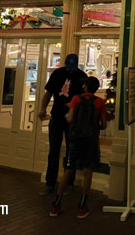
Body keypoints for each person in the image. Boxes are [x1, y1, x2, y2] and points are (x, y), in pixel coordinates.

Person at [50, 76, 107, 218]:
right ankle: (82, 206)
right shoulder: (100, 102)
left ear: (85, 87)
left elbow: (69, 119)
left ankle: (56, 204)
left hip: (75, 140)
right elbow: (104, 124)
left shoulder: (75, 99)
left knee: (68, 170)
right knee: (88, 171)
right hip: (91, 141)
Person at [38, 53, 87, 195]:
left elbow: (83, 99)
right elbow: (48, 93)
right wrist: (42, 108)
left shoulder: (81, 76)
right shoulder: (57, 74)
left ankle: (68, 183)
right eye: (69, 67)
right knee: (54, 150)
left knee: (72, 151)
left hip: (73, 119)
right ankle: (50, 183)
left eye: (73, 67)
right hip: (57, 116)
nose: (70, 70)